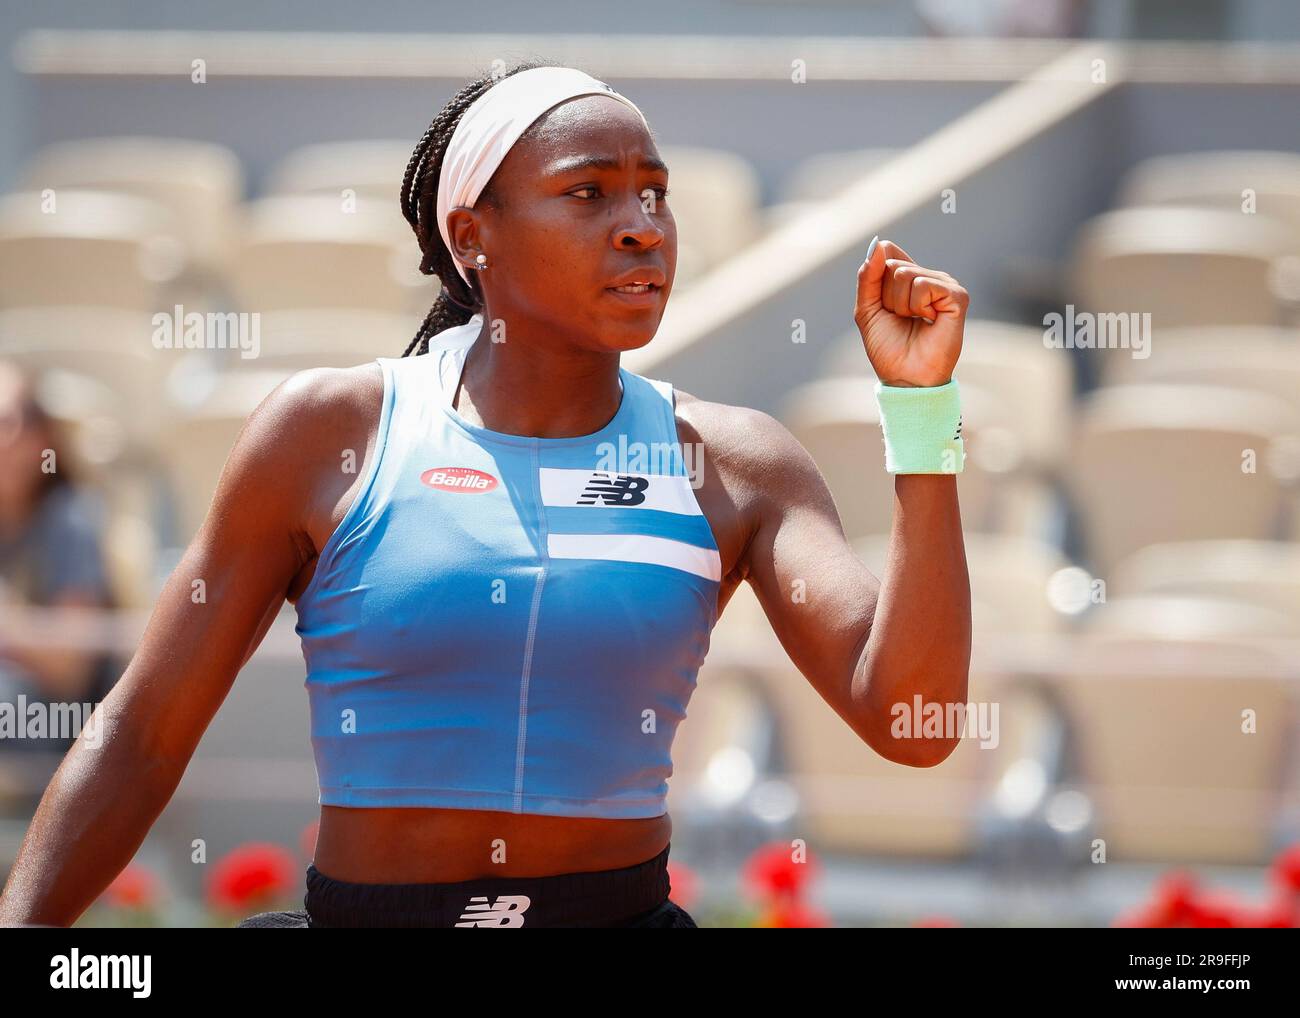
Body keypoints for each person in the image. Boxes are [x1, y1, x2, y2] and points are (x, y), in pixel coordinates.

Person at [0, 61, 971, 929]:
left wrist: (923, 417)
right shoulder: (328, 432)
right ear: (474, 236)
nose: (641, 226)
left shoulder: (735, 460)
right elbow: (140, 734)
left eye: (655, 194)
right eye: (588, 192)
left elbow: (910, 722)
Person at [0, 361, 116, 769]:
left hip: (60, 731)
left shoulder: (71, 520)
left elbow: (70, 671)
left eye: (12, 422)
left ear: (42, 436)